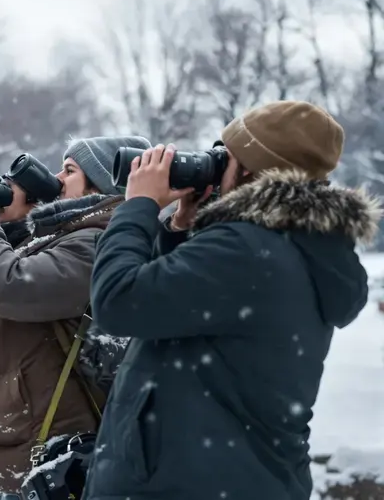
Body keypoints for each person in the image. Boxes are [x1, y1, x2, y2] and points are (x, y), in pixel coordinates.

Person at [86, 102, 374, 500]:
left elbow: (118, 301)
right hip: (234, 477)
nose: (214, 166)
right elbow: (175, 306)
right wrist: (181, 227)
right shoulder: (293, 247)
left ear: (250, 172)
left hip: (184, 484)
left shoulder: (245, 249)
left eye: (224, 157)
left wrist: (138, 206)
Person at [0, 137, 149, 499]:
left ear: (100, 185)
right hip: (24, 438)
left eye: (69, 170)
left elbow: (9, 288)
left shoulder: (97, 243)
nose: (56, 178)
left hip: (53, 448)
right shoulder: (50, 241)